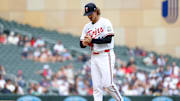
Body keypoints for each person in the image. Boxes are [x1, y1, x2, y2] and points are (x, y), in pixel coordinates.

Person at [80, 3, 123, 101]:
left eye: (91, 13)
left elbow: (108, 39)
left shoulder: (105, 22)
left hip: (105, 54)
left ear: (96, 11)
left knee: (108, 84)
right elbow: (81, 44)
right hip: (94, 56)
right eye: (88, 14)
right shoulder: (87, 27)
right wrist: (85, 43)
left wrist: (92, 40)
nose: (89, 16)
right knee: (96, 87)